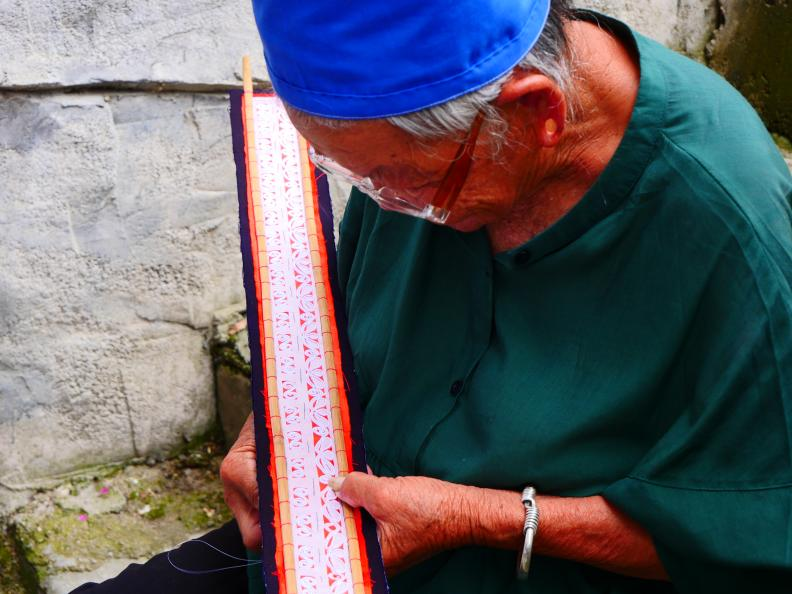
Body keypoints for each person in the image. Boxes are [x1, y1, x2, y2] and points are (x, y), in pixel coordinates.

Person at [74, 1, 792, 593]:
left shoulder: (734, 229)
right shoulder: (422, 136)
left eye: (405, 184)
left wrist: (475, 518)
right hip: (356, 532)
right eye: (355, 177)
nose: (384, 203)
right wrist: (272, 426)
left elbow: (757, 536)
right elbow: (350, 313)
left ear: (537, 112)